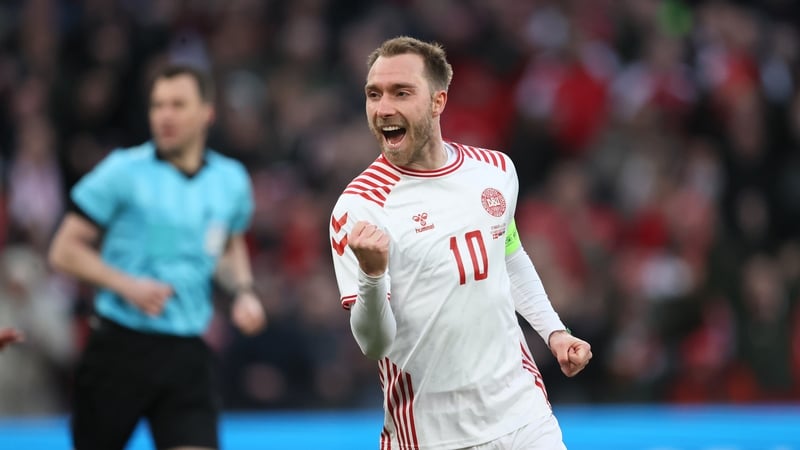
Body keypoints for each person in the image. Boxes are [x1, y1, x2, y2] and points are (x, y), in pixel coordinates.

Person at [329, 36, 592, 449]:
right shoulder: (359, 208)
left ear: (438, 102)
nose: (384, 108)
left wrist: (554, 332)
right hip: (431, 433)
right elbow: (372, 343)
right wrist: (373, 275)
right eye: (374, 94)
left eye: (402, 93)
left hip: (524, 415)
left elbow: (508, 256)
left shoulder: (495, 171)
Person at [48, 64, 266, 450]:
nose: (165, 115)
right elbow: (63, 249)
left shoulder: (230, 180)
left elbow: (228, 245)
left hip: (187, 349)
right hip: (119, 347)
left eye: (178, 104)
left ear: (207, 113)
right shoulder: (122, 171)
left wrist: (244, 291)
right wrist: (126, 285)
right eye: (157, 105)